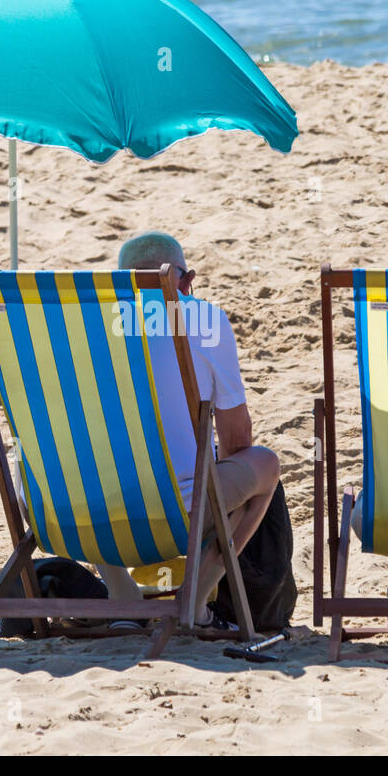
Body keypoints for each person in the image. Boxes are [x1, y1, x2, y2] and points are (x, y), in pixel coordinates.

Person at [99, 232, 280, 630]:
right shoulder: (204, 318)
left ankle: (121, 595)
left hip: (82, 509)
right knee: (265, 466)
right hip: (180, 509)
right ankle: (194, 601)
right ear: (185, 281)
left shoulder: (85, 320)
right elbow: (237, 441)